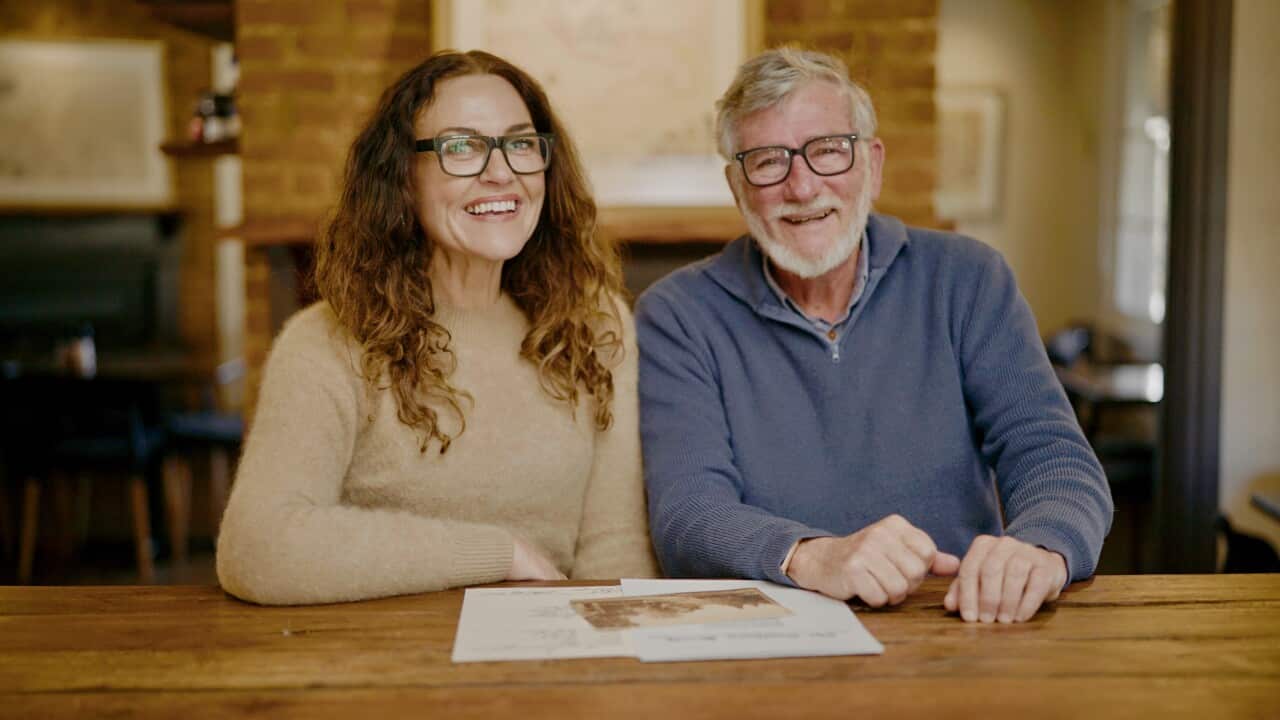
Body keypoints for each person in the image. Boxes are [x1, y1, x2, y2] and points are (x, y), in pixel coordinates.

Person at [635, 48, 1112, 623]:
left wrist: (1041, 547)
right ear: (738, 187)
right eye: (767, 162)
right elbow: (687, 512)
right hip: (767, 640)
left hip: (960, 622)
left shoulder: (968, 279)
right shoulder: (677, 313)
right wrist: (815, 557)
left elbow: (1052, 454)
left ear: (873, 164)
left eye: (829, 151)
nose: (803, 186)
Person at [217, 50, 658, 605]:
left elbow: (615, 546)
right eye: (461, 147)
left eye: (520, 143)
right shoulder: (325, 344)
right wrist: (500, 554)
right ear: (403, 176)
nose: (501, 172)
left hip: (551, 661)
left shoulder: (594, 326)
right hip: (383, 665)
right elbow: (257, 547)